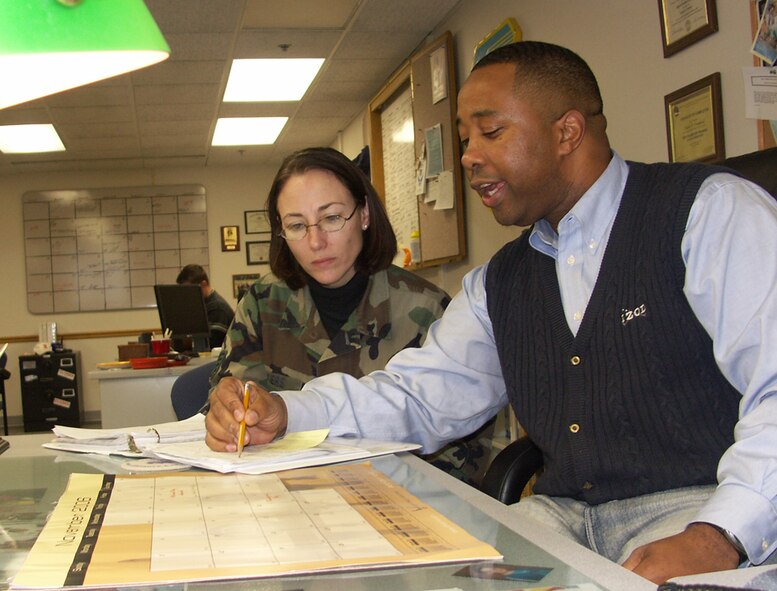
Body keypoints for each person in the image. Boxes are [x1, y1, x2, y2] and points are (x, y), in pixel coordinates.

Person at [204, 42, 777, 584]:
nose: (469, 158)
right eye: (463, 138)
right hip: (560, 516)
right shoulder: (499, 281)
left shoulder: (710, 212)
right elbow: (419, 396)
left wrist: (721, 533)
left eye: (491, 132)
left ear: (567, 132)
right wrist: (288, 413)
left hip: (699, 507)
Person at [209, 146, 493, 484]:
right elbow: (232, 407)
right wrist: (227, 415)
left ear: (364, 215)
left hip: (392, 502)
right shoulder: (262, 301)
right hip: (279, 494)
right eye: (297, 225)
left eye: (331, 218)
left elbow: (463, 454)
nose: (316, 242)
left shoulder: (428, 308)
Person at [176, 263, 235, 348]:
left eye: (189, 290)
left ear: (203, 284)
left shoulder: (217, 309)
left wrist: (186, 341)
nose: (187, 295)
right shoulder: (204, 305)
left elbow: (211, 345)